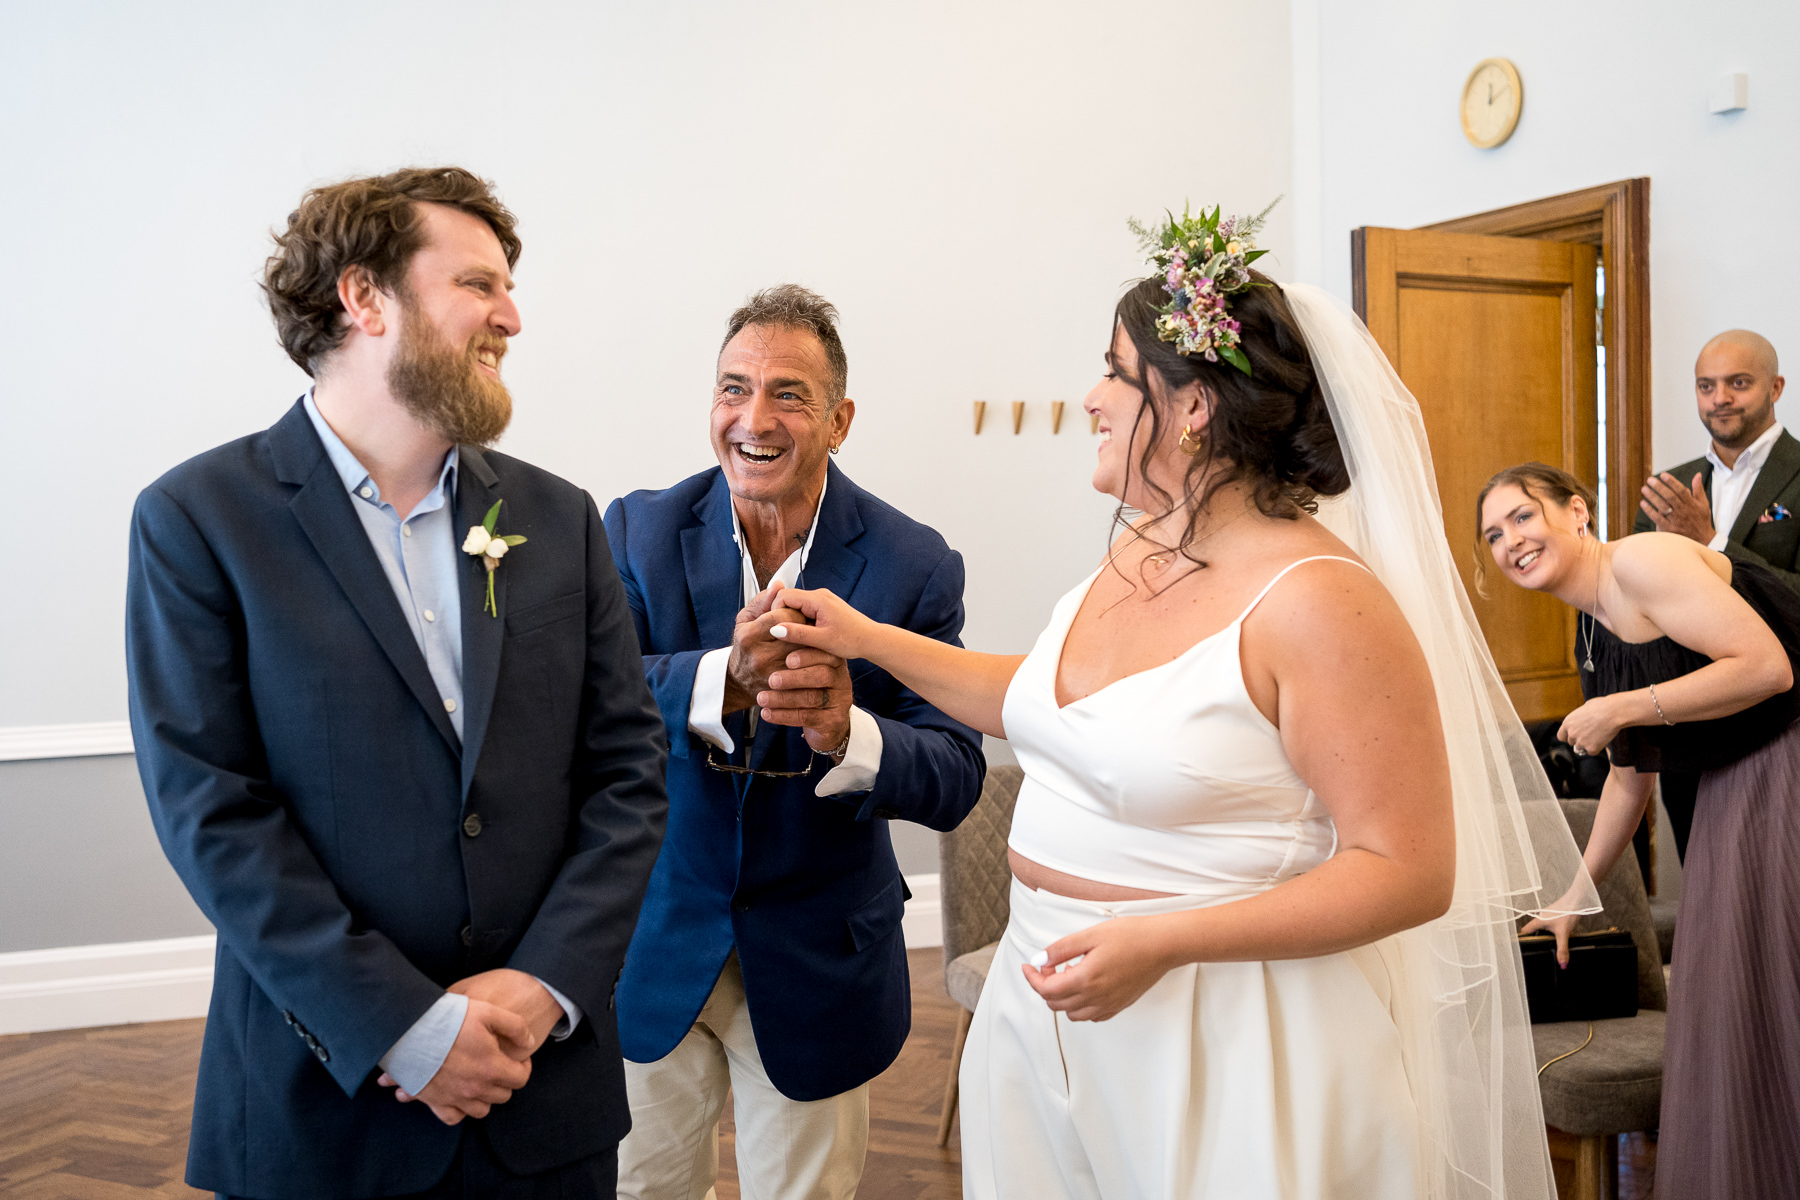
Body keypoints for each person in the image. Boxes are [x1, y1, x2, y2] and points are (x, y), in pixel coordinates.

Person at [768, 208, 1592, 1200]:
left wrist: (1164, 939)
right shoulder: (1138, 546)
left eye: (1115, 371)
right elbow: (1044, 699)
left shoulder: (1321, 602)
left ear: (1193, 405)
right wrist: (862, 637)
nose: (1091, 397)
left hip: (1227, 1034)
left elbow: (1408, 870)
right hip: (1049, 1011)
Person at [126, 168, 670, 1200]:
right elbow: (212, 813)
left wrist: (544, 985)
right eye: (478, 283)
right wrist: (406, 1027)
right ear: (364, 297)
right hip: (325, 1107)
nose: (512, 314)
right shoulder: (201, 519)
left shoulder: (557, 521)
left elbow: (628, 773)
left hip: (541, 1095)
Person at [603, 284, 985, 1200]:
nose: (753, 418)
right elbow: (590, 699)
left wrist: (848, 731)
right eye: (733, 389)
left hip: (820, 957)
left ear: (840, 419)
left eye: (788, 394)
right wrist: (718, 679)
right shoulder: (637, 528)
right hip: (658, 936)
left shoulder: (914, 562)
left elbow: (957, 774)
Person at [1481, 461, 1800, 1200]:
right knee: (1736, 999)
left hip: (1785, 761)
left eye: (1523, 517)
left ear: (1577, 512)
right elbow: (1631, 776)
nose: (1510, 542)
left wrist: (1625, 708)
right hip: (1730, 781)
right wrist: (1573, 895)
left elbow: (1768, 667)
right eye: (1493, 535)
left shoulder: (1644, 558)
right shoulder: (1592, 638)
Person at [1633, 329, 1795, 859]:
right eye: (1707, 386)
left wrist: (1714, 544)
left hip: (1784, 722)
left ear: (1775, 387)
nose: (1720, 398)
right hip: (1687, 727)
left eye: (1738, 383)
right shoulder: (1668, 488)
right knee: (1703, 893)